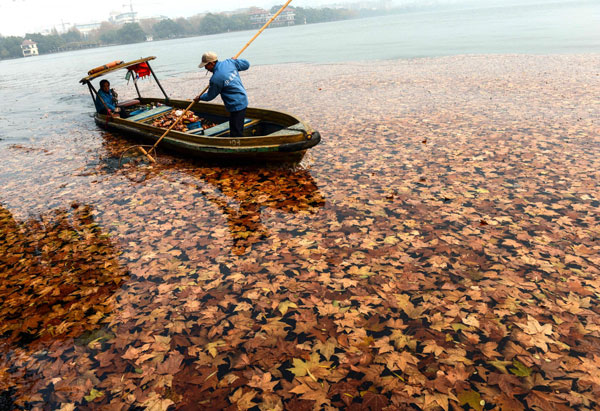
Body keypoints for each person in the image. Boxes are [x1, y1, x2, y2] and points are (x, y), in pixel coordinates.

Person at [194, 52, 250, 137]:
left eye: (206, 65)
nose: (205, 68)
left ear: (212, 63)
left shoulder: (215, 79)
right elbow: (246, 64)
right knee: (237, 125)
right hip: (243, 99)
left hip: (235, 104)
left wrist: (200, 98)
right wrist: (235, 61)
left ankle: (237, 146)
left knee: (236, 132)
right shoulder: (229, 62)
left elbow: (210, 96)